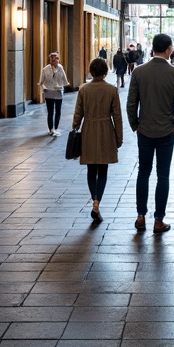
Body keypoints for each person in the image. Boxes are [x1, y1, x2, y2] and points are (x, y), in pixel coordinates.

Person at [126, 33, 174, 233]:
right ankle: (158, 220)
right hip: (165, 132)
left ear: (153, 48)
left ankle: (140, 216)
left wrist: (135, 124)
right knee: (163, 175)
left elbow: (131, 103)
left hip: (144, 130)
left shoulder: (139, 72)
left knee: (143, 173)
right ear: (169, 48)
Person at [72, 57, 123, 224]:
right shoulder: (112, 90)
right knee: (103, 170)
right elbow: (117, 116)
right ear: (106, 71)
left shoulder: (83, 90)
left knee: (90, 169)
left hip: (89, 131)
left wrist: (74, 129)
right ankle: (97, 201)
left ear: (91, 71)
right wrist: (119, 137)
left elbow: (78, 113)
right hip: (106, 130)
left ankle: (93, 199)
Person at [39, 51, 69, 137]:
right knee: (50, 111)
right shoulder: (45, 69)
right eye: (52, 58)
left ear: (58, 60)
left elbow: (64, 79)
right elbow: (41, 81)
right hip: (49, 92)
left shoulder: (60, 68)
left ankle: (55, 128)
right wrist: (43, 90)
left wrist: (63, 86)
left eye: (56, 59)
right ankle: (51, 129)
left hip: (58, 92)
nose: (54, 60)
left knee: (58, 111)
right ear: (50, 60)